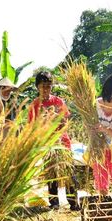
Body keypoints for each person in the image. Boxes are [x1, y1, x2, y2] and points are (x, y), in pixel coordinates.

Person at [28, 71, 79, 210]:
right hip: (48, 145)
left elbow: (66, 119)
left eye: (48, 86)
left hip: (62, 143)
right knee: (51, 174)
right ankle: (54, 203)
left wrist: (56, 116)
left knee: (69, 173)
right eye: (43, 86)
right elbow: (32, 128)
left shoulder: (58, 101)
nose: (46, 89)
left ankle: (74, 203)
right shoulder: (34, 105)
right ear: (37, 87)